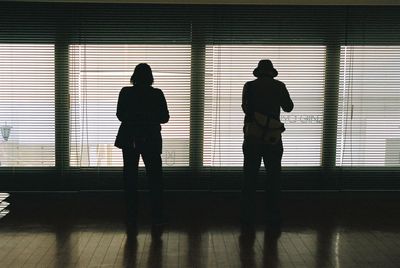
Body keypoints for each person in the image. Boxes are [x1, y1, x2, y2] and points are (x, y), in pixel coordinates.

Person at [115, 63, 169, 230]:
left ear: (134, 76)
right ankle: (157, 216)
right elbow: (165, 117)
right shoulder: (157, 94)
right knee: (155, 178)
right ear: (150, 77)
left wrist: (134, 118)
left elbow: (120, 115)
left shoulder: (126, 92)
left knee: (130, 178)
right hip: (151, 138)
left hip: (130, 138)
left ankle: (131, 217)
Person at [241, 59, 294, 228]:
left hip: (253, 136)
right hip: (273, 137)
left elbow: (246, 109)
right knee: (273, 176)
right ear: (271, 72)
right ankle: (272, 214)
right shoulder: (279, 86)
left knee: (249, 176)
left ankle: (248, 215)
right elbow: (288, 107)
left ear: (258, 72)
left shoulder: (249, 86)